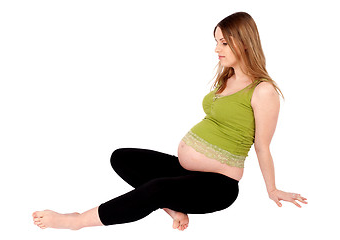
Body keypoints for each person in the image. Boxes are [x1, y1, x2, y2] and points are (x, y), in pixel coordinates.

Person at [32, 11, 307, 231]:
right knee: (122, 157)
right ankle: (172, 206)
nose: (216, 49)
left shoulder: (263, 90)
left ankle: (77, 220)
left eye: (223, 42)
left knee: (156, 188)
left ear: (244, 42)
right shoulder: (228, 77)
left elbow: (262, 146)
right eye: (216, 41)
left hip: (217, 186)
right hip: (188, 173)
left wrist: (272, 189)